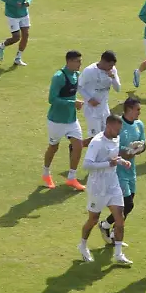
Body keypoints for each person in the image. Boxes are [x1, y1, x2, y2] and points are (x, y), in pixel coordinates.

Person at [78, 115, 133, 265]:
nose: (118, 132)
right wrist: (108, 164)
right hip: (97, 187)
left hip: (113, 185)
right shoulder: (97, 142)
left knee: (120, 219)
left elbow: (114, 158)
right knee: (93, 220)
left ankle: (118, 254)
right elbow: (87, 165)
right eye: (116, 129)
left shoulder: (116, 138)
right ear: (108, 127)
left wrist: (122, 162)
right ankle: (82, 245)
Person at [100, 97, 146, 246]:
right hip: (118, 170)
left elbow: (143, 145)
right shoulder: (118, 125)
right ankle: (107, 225)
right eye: (138, 109)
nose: (140, 112)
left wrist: (139, 149)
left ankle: (112, 231)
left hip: (131, 169)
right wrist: (127, 153)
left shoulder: (139, 125)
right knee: (127, 204)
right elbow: (109, 146)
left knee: (129, 201)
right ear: (129, 109)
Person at [44, 50, 87, 191]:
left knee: (78, 146)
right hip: (56, 120)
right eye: (78, 61)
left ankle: (71, 178)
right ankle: (46, 173)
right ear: (69, 61)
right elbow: (52, 99)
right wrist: (72, 103)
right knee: (53, 147)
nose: (80, 64)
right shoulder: (59, 77)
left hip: (71, 120)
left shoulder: (76, 75)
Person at [79, 51, 122, 145]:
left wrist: (113, 77)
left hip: (104, 108)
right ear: (103, 61)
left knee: (107, 135)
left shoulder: (112, 70)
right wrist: (89, 99)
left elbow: (118, 88)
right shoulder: (89, 71)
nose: (111, 67)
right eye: (110, 65)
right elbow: (79, 86)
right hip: (92, 110)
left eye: (113, 65)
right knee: (96, 138)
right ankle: (76, 146)